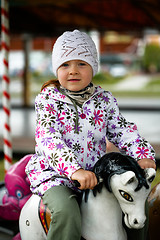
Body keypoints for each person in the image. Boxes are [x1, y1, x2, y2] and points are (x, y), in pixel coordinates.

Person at [25, 30, 156, 240]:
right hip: (55, 175)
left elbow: (122, 129)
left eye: (82, 64)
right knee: (66, 211)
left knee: (136, 197)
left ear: (93, 67)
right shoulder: (48, 100)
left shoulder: (104, 100)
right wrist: (74, 170)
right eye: (66, 64)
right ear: (56, 68)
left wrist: (142, 154)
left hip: (96, 174)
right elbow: (49, 140)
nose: (73, 71)